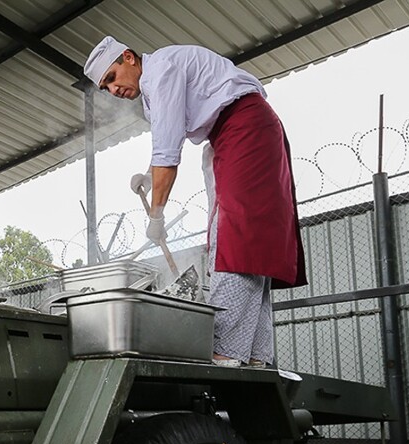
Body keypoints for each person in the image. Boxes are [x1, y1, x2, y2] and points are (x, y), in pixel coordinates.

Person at [83, 37, 306, 368]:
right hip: (237, 132)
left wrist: (156, 216)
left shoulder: (161, 71)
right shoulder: (153, 87)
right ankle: (257, 355)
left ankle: (226, 349)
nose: (113, 90)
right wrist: (148, 176)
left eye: (112, 77)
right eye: (105, 87)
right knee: (250, 244)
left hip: (244, 127)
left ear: (128, 58)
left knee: (235, 237)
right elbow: (165, 140)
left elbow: (168, 156)